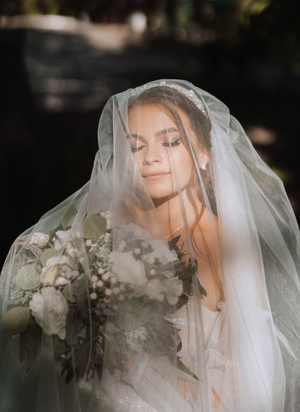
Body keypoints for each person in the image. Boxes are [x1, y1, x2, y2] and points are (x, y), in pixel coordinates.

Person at [0, 79, 299, 412]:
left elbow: (250, 373)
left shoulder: (227, 246)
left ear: (203, 153)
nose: (151, 158)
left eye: (170, 142)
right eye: (136, 146)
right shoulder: (102, 225)